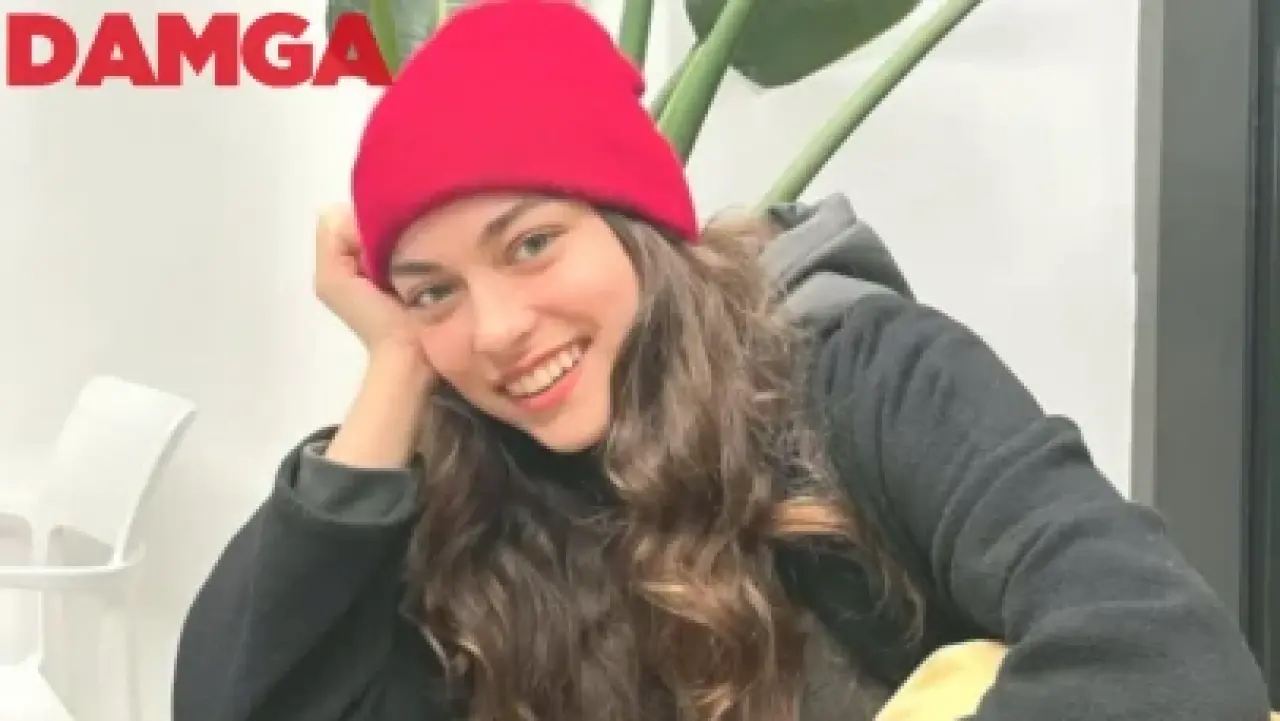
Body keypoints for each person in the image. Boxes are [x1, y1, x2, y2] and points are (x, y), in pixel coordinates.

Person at [171, 2, 1271, 720]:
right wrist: (395, 370)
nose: (497, 329)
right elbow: (246, 700)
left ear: (635, 228)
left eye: (532, 243)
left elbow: (1166, 657)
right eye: (434, 292)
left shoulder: (858, 374)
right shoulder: (466, 483)